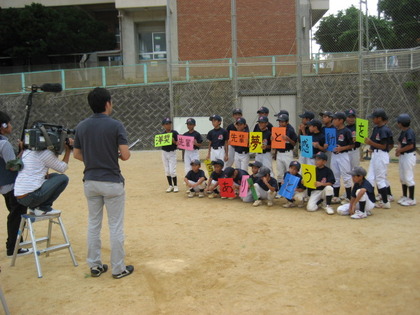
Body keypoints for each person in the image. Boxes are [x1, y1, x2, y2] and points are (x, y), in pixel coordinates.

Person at [73, 87, 134, 279]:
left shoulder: (81, 126)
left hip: (90, 181)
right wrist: (109, 156)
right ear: (107, 103)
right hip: (111, 182)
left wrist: (94, 159)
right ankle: (118, 268)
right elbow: (125, 155)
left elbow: (76, 154)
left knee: (93, 224)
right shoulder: (116, 125)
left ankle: (95, 265)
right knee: (115, 225)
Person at [14, 125, 71, 216]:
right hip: (31, 196)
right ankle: (43, 208)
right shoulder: (44, 153)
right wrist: (68, 150)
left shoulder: (28, 150)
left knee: (54, 177)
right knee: (63, 178)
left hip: (20, 195)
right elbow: (62, 168)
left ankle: (34, 208)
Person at [0, 111, 29, 257]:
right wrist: (23, 152)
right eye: (8, 123)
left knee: (14, 214)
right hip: (12, 185)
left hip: (4, 185)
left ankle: (17, 243)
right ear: (3, 126)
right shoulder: (3, 143)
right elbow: (13, 166)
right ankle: (13, 248)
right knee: (16, 216)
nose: (11, 125)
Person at [364, 109, 393, 209]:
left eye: (374, 118)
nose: (373, 119)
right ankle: (371, 200)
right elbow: (373, 142)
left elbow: (384, 146)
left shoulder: (384, 130)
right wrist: (371, 147)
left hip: (381, 155)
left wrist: (371, 144)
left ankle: (385, 202)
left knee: (380, 179)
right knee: (370, 178)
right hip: (375, 155)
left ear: (379, 118)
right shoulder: (376, 128)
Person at [330, 112, 354, 204]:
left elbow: (352, 145)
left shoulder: (346, 131)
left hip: (343, 155)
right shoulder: (333, 130)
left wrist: (342, 148)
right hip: (334, 155)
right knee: (335, 175)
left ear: (341, 120)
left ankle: (348, 197)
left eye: (335, 119)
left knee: (346, 175)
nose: (333, 121)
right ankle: (336, 196)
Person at [395, 114, 416, 206]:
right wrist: (399, 150)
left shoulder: (409, 132)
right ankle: (405, 196)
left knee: (408, 177)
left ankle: (411, 198)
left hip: (409, 156)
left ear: (401, 123)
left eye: (398, 122)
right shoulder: (403, 132)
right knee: (403, 177)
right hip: (403, 156)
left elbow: (411, 145)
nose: (397, 124)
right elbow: (400, 142)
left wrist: (400, 150)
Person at [275, 114, 297, 191]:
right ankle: (280, 190)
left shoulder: (290, 130)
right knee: (280, 173)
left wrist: (288, 139)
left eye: (282, 122)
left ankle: (289, 190)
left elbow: (294, 143)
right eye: (279, 122)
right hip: (279, 153)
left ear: (287, 122)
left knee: (290, 172)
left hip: (287, 153)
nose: (280, 123)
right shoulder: (277, 130)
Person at [161, 117, 179, 192]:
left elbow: (179, 143)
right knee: (167, 170)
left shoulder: (174, 133)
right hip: (164, 152)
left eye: (169, 124)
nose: (168, 125)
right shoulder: (163, 134)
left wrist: (174, 141)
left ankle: (175, 185)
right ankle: (170, 185)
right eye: (166, 124)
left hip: (172, 152)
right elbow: (160, 143)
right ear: (163, 126)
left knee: (172, 171)